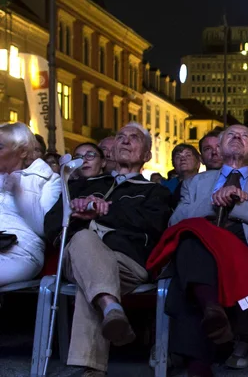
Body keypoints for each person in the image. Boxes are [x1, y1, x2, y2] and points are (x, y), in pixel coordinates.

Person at [152, 124, 248, 374]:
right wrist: (214, 197)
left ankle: (198, 359)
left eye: (244, 136)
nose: (237, 138)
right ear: (219, 146)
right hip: (202, 254)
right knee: (193, 239)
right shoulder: (197, 183)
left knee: (192, 254)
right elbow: (175, 222)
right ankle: (212, 312)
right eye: (231, 135)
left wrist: (238, 202)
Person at [43, 123, 172, 376]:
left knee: (88, 281)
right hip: (78, 254)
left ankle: (91, 361)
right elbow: (51, 224)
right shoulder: (82, 185)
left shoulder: (156, 191)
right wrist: (75, 212)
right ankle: (111, 309)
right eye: (120, 136)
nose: (124, 141)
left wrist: (106, 210)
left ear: (146, 155)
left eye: (133, 138)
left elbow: (154, 225)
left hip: (126, 262)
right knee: (82, 239)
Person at [0, 123, 61, 286]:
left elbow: (43, 228)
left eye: (0, 146)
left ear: (22, 151)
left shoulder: (48, 180)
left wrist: (19, 194)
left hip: (21, 252)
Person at [162, 144, 201, 208]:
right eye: (178, 156)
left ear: (198, 162)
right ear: (173, 164)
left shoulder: (208, 184)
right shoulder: (165, 189)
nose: (183, 159)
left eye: (188, 155)